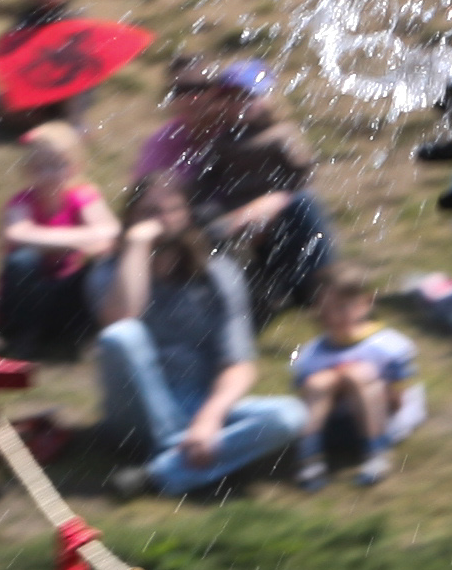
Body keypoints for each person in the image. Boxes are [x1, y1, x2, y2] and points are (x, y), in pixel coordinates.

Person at [95, 173, 300, 500]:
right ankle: (188, 454)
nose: (162, 219)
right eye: (150, 211)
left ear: (186, 215)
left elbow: (239, 364)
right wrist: (137, 244)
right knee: (122, 335)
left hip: (197, 402)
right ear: (131, 218)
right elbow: (121, 318)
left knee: (290, 414)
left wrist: (209, 419)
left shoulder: (218, 273)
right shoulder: (109, 272)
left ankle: (158, 472)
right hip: (133, 410)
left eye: (172, 209)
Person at [145, 55, 331, 312]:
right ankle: (254, 293)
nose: (240, 105)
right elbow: (207, 178)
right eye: (232, 98)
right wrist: (193, 201)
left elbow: (302, 176)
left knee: (304, 206)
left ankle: (322, 284)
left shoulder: (280, 135)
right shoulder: (223, 142)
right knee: (211, 224)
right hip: (237, 211)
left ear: (267, 98)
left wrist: (277, 202)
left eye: (248, 97)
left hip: (280, 211)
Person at [288, 266, 422, 489]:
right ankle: (310, 460)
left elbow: (397, 402)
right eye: (325, 309)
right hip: (334, 429)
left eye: (342, 307)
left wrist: (353, 384)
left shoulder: (387, 345)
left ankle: (376, 454)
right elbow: (302, 403)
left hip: (383, 421)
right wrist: (335, 386)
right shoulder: (310, 354)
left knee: (358, 374)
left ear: (365, 303)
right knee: (320, 382)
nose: (333, 317)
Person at [0, 120, 114, 357]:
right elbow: (17, 234)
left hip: (64, 292)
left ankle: (83, 333)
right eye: (41, 167)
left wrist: (41, 239)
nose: (50, 174)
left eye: (58, 165)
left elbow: (110, 232)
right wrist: (81, 240)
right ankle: (22, 336)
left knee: (103, 264)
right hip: (25, 298)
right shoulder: (21, 202)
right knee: (22, 260)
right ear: (29, 170)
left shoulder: (81, 196)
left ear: (74, 167)